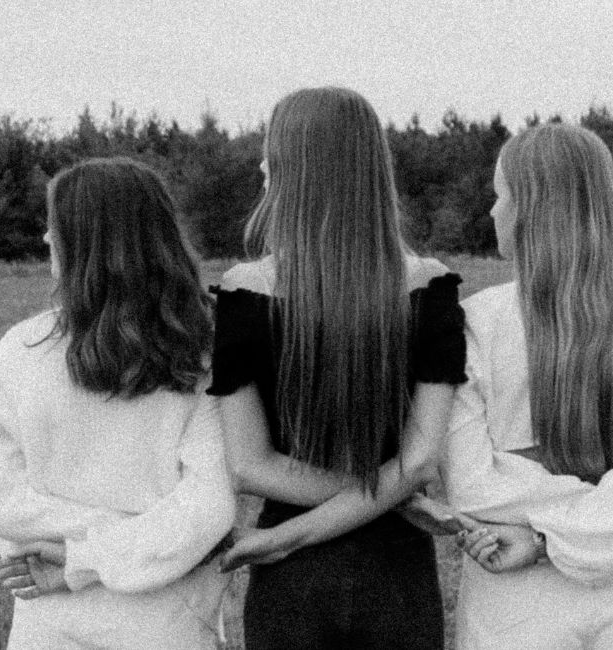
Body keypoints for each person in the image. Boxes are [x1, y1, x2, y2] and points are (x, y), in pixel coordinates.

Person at [206, 86, 468, 649]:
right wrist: (392, 495)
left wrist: (290, 536)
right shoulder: (431, 286)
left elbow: (250, 466)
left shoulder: (243, 292)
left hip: (289, 578)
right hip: (398, 571)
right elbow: (418, 461)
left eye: (269, 155)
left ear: (292, 169)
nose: (261, 169)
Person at [441, 124, 613, 648]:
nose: (492, 211)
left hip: (515, 608)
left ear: (531, 209)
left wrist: (539, 538)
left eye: (500, 195)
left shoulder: (472, 328)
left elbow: (474, 487)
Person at [0, 157, 235, 649]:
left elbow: (209, 508)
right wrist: (114, 544)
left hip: (88, 620)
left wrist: (81, 555)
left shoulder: (21, 349)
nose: (46, 237)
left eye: (56, 226)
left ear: (84, 243)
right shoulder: (202, 353)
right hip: (156, 615)